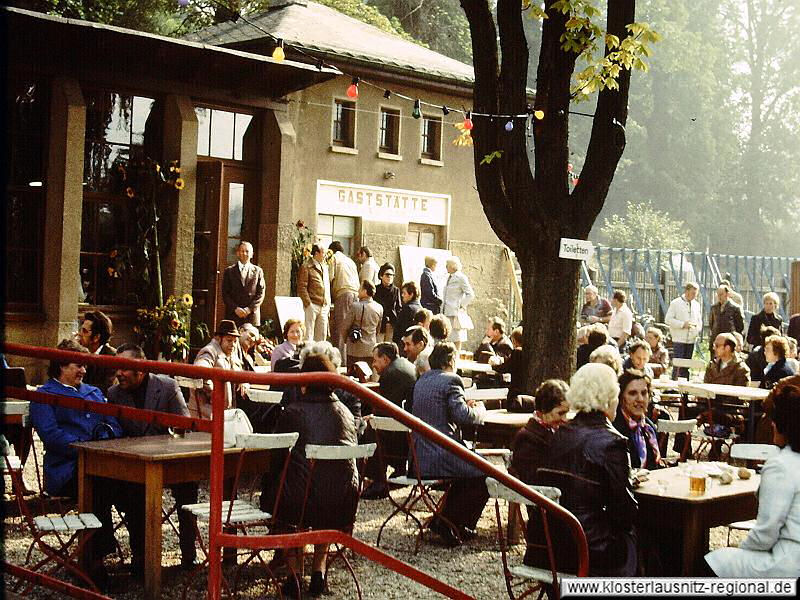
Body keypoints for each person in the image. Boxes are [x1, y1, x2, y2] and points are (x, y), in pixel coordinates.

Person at [260, 351, 360, 598]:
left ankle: (293, 574)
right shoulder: (346, 413)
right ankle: (318, 569)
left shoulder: (293, 412)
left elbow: (277, 457)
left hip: (299, 502)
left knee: (285, 490)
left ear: (304, 382)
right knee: (324, 489)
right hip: (343, 502)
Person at [29, 339, 123, 587]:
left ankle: (142, 558)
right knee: (99, 485)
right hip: (67, 470)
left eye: (84, 365)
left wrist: (103, 440)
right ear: (60, 366)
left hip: (100, 462)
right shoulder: (44, 396)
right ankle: (95, 560)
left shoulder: (93, 392)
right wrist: (86, 447)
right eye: (77, 365)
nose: (83, 370)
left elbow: (113, 425)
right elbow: (52, 436)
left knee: (134, 484)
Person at [107, 343, 198, 574]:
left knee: (189, 489)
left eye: (125, 368)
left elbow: (183, 425)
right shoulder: (114, 394)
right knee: (132, 493)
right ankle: (142, 558)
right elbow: (114, 431)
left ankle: (189, 554)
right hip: (136, 465)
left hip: (169, 460)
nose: (119, 373)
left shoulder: (167, 386)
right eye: (117, 367)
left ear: (142, 369)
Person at [541, 363, 637, 576]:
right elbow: (624, 511)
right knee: (652, 535)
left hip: (550, 543)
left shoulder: (559, 433)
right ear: (611, 397)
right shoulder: (613, 442)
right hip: (592, 547)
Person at [705, 377, 800, 577]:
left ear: (782, 425)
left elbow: (766, 533)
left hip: (787, 563)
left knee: (713, 562)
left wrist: (740, 553)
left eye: (773, 421)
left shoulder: (781, 465)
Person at [411, 342, 488, 546]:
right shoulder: (452, 379)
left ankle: (444, 520)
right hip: (442, 453)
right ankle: (455, 523)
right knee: (485, 473)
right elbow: (462, 415)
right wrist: (480, 411)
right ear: (450, 361)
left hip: (420, 456)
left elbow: (440, 410)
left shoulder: (422, 380)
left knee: (468, 474)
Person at [361, 342, 418, 499]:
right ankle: (399, 469)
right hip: (411, 430)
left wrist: (372, 419)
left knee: (370, 429)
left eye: (375, 360)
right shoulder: (405, 365)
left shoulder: (390, 375)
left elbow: (387, 409)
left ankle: (378, 481)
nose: (373, 365)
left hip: (403, 436)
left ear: (385, 359)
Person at [509, 379, 570, 483]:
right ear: (544, 410)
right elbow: (531, 479)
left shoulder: (555, 431)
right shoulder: (527, 439)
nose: (565, 419)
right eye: (560, 413)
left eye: (566, 413)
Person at [188, 320, 242, 419]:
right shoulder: (209, 351)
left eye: (235, 341)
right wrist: (213, 391)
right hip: (206, 414)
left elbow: (237, 367)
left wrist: (243, 382)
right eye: (229, 340)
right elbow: (200, 369)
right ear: (218, 338)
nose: (233, 344)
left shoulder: (230, 352)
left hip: (222, 413)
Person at [612, 370, 665, 470]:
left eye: (644, 393)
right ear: (621, 397)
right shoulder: (614, 429)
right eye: (632, 393)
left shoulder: (649, 428)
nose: (640, 399)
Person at [328, 241, 360, 364]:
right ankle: (348, 358)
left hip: (343, 293)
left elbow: (330, 278)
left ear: (332, 250)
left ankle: (340, 360)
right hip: (355, 294)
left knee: (340, 328)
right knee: (350, 328)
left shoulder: (334, 258)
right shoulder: (350, 261)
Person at [221, 241, 266, 327]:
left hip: (251, 316)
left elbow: (261, 293)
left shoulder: (258, 271)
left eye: (247, 251)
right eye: (242, 251)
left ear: (252, 254)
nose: (244, 253)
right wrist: (235, 309)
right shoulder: (229, 271)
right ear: (237, 253)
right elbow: (225, 294)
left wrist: (249, 309)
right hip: (233, 315)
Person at [665, 282, 702, 379]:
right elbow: (668, 319)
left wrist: (697, 330)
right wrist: (682, 324)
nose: (694, 296)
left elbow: (699, 321)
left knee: (687, 366)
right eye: (692, 293)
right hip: (679, 339)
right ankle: (674, 387)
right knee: (678, 365)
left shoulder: (697, 305)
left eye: (695, 294)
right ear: (686, 291)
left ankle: (685, 388)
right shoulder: (675, 303)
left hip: (691, 340)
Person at [344, 280, 383, 370]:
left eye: (360, 288)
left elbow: (345, 327)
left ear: (365, 291)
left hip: (355, 347)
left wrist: (346, 340)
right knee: (367, 375)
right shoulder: (379, 308)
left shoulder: (355, 306)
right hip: (370, 348)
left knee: (352, 376)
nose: (358, 291)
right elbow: (378, 329)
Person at [76, 310, 117, 395]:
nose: (79, 334)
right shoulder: (80, 351)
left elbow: (105, 389)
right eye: (80, 329)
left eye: (84, 331)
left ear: (96, 337)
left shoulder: (111, 357)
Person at [297, 244, 331, 343]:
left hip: (324, 306)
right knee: (309, 334)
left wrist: (328, 304)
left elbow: (327, 286)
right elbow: (302, 287)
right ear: (316, 253)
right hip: (312, 304)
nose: (325, 255)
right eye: (323, 253)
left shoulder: (325, 267)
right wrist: (308, 304)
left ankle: (320, 357)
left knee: (322, 336)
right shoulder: (306, 266)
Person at [492, 327, 531, 412]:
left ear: (514, 340)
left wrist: (493, 366)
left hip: (516, 387)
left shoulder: (517, 352)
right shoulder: (528, 352)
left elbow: (506, 367)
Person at [441, 257, 475, 352]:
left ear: (452, 266)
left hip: (455, 312)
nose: (446, 267)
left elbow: (470, 294)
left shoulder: (461, 277)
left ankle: (456, 358)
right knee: (448, 337)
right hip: (447, 311)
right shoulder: (448, 277)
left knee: (456, 337)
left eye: (447, 265)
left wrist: (461, 305)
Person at [709, 284, 745, 355]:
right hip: (716, 340)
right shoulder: (714, 308)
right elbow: (711, 324)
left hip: (729, 342)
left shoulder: (735, 308)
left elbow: (740, 326)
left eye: (721, 294)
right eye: (718, 294)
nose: (719, 297)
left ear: (727, 294)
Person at [374, 263, 402, 343]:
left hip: (391, 324)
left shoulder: (396, 290)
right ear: (381, 276)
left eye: (392, 275)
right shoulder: (376, 290)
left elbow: (398, 307)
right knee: (378, 345)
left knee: (388, 347)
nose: (390, 277)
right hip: (379, 323)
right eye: (387, 274)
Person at [393, 281, 422, 349]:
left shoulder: (407, 309)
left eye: (404, 293)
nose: (402, 295)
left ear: (411, 294)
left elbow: (399, 329)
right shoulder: (420, 308)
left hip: (405, 345)